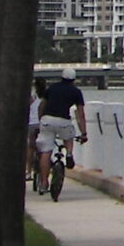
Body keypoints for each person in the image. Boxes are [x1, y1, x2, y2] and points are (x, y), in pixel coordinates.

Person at [34, 67, 87, 198]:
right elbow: (80, 115)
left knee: (45, 152)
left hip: (47, 120)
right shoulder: (76, 92)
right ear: (73, 80)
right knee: (69, 136)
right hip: (63, 121)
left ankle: (44, 183)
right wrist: (84, 133)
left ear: (61, 77)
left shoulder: (52, 88)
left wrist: (41, 121)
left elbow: (42, 106)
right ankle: (68, 153)